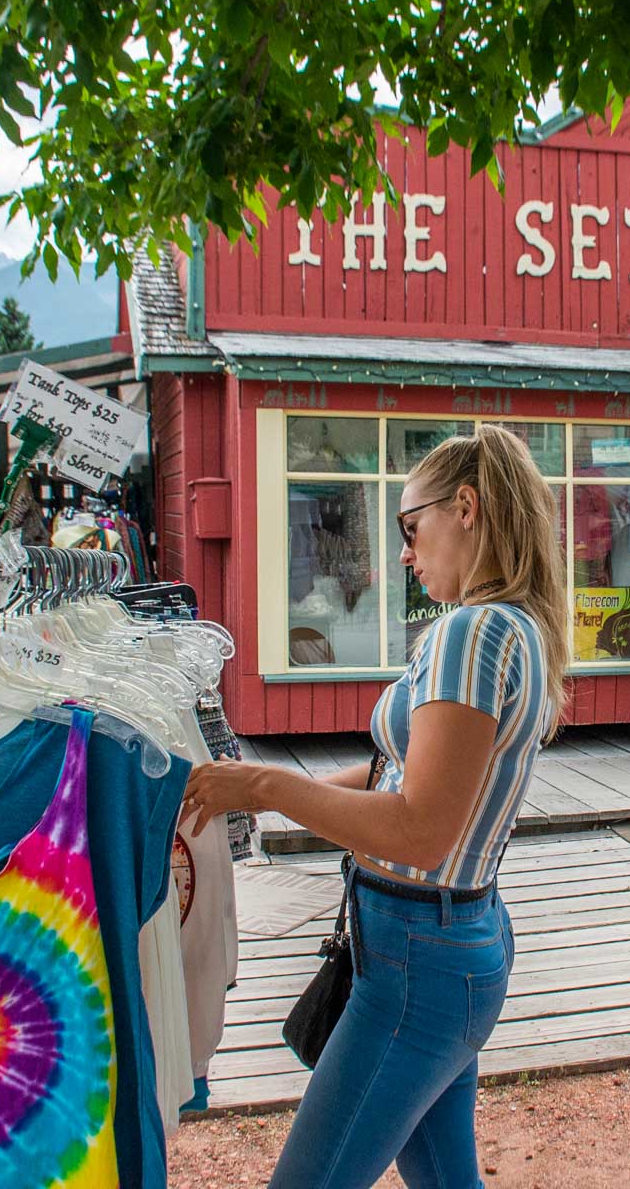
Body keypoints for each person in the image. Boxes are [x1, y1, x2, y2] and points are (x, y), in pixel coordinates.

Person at [181, 424, 568, 1188]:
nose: (403, 553)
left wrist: (261, 788)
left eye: (409, 527)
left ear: (466, 509)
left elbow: (419, 830)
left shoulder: (472, 633)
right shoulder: (516, 629)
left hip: (418, 956)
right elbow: (399, 773)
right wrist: (260, 790)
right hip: (452, 941)